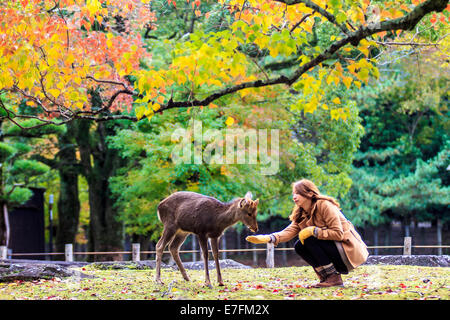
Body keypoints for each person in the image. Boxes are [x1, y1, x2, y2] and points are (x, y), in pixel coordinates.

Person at [246, 179, 369, 288]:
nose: (294, 196)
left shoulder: (324, 205)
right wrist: (269, 238)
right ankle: (326, 277)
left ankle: (334, 277)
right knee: (299, 246)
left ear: (309, 193)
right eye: (293, 193)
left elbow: (338, 234)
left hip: (347, 252)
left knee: (310, 239)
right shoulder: (301, 213)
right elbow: (289, 231)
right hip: (336, 252)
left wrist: (314, 231)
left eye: (298, 193)